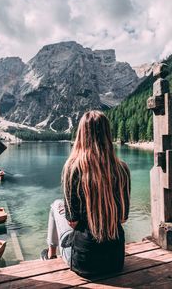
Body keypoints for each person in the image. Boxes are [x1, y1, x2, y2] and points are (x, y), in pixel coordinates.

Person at [40, 110, 131, 277]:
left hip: (84, 263)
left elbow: (72, 222)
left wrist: (72, 212)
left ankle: (51, 254)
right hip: (116, 261)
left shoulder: (72, 168)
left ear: (81, 135)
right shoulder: (121, 169)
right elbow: (123, 218)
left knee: (55, 205)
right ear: (107, 135)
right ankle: (52, 253)